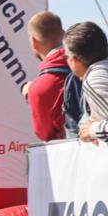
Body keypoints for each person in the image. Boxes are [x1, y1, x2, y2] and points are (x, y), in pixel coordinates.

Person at [22, 11, 80, 141]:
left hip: (75, 156)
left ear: (33, 42)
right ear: (64, 34)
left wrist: (30, 94)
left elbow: (44, 135)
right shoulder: (89, 62)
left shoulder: (40, 88)